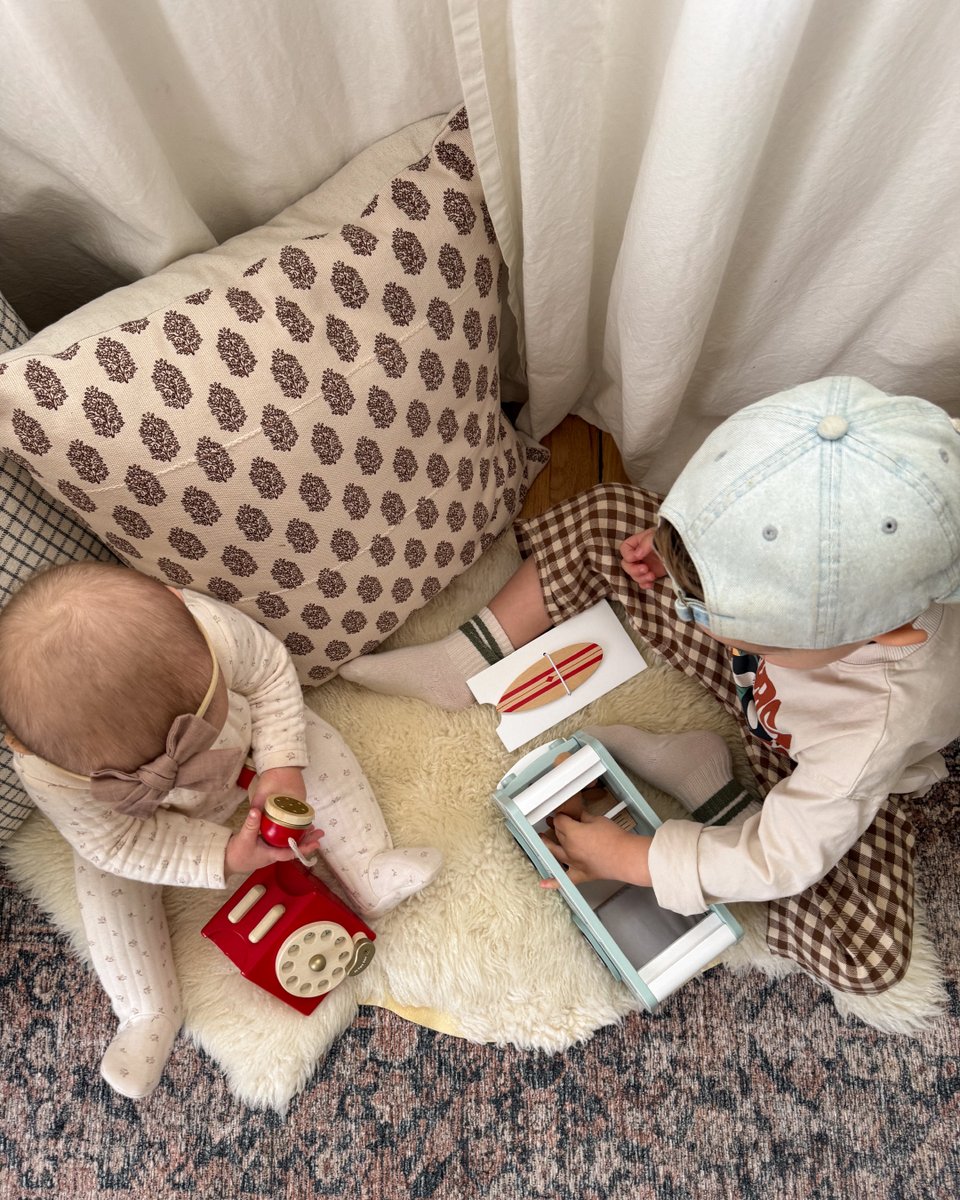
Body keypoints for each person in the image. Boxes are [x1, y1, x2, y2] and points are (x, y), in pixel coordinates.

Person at [341, 376, 960, 1002]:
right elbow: (729, 524)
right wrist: (672, 546)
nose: (704, 621)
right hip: (760, 684)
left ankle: (709, 784)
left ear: (886, 630)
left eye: (751, 632)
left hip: (801, 755)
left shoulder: (870, 729)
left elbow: (783, 857)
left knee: (864, 955)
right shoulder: (861, 477)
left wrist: (634, 861)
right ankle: (461, 661)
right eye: (700, 606)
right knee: (613, 513)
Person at [0, 563, 442, 1099]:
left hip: (249, 745)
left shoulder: (208, 628)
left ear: (179, 605)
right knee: (103, 881)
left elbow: (271, 676)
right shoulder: (52, 776)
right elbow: (116, 844)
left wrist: (281, 765)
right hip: (141, 822)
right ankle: (147, 1010)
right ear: (25, 749)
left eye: (203, 712)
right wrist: (225, 855)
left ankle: (368, 864)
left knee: (318, 745)